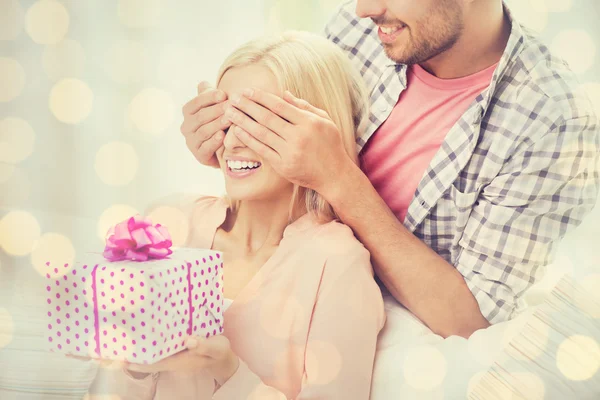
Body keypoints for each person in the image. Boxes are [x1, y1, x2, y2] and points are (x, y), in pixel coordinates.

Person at [180, 0, 600, 338]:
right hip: (293, 303)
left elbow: (470, 320)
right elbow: (293, 172)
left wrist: (339, 179)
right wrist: (230, 142)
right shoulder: (367, 25)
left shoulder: (555, 120)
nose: (363, 8)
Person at [113, 31, 385, 399]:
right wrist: (130, 364)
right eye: (224, 120)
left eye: (257, 122)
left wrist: (227, 370)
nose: (231, 142)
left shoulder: (336, 264)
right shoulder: (169, 221)